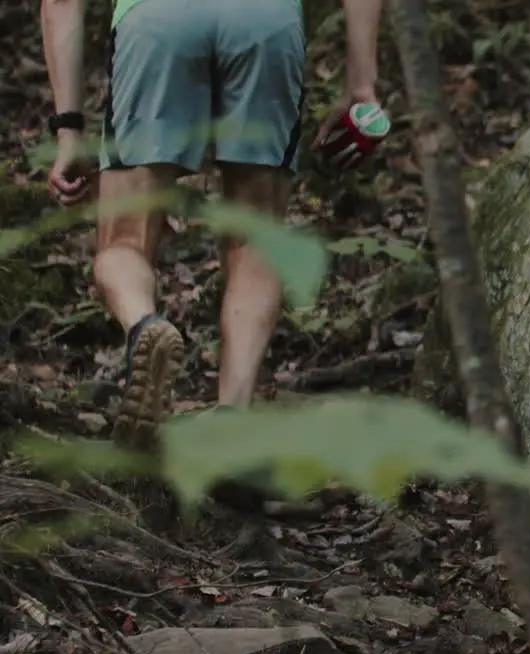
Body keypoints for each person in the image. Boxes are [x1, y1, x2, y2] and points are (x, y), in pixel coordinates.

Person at [39, 0, 382, 448]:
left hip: (158, 20)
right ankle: (232, 420)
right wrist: (362, 84)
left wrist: (67, 130)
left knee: (123, 240)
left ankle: (146, 326)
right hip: (265, 21)